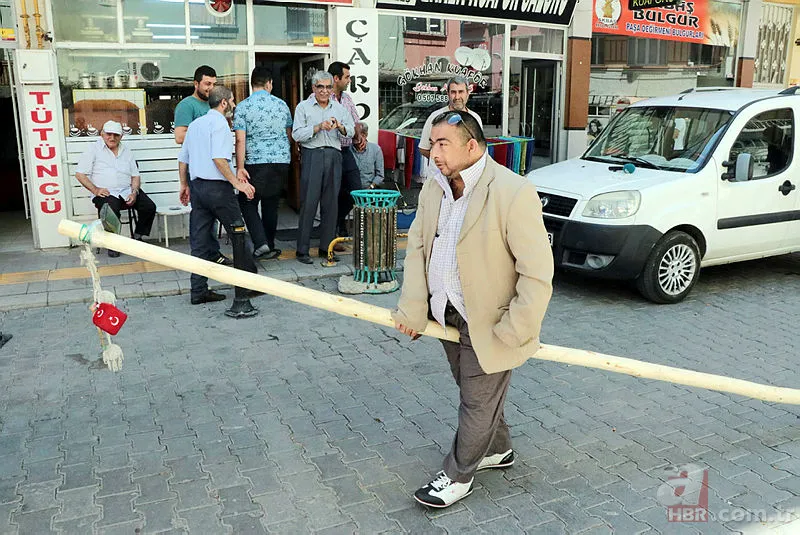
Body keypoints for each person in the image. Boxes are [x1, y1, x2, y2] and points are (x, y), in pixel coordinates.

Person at [392, 111, 553, 508]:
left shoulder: (512, 191)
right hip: (446, 314)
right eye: (431, 145)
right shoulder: (434, 189)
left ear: (471, 145)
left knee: (476, 402)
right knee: (471, 388)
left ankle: (458, 473)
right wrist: (414, 311)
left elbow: (536, 272)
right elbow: (416, 251)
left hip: (491, 322)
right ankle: (498, 449)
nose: (432, 153)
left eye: (442, 144)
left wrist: (516, 329)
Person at [178, 86, 259, 305]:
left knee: (200, 241)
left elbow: (183, 158)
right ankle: (246, 288)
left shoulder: (195, 125)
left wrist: (184, 185)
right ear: (223, 103)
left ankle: (198, 290)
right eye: (232, 101)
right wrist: (237, 184)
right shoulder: (221, 125)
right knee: (238, 235)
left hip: (197, 188)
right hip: (218, 190)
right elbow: (219, 159)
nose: (233, 106)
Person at [291, 71, 354, 265]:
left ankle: (326, 247)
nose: (324, 91)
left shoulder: (339, 108)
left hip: (334, 155)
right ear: (313, 88)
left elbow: (351, 130)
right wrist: (318, 127)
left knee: (331, 204)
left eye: (328, 87)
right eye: (320, 87)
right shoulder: (304, 107)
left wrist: (340, 127)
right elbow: (297, 135)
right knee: (309, 203)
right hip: (313, 155)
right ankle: (302, 250)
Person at [233, 67, 292, 261]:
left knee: (247, 202)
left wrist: (240, 167)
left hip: (256, 161)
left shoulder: (243, 107)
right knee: (271, 203)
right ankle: (270, 244)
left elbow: (240, 140)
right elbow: (289, 135)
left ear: (252, 84)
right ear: (268, 84)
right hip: (281, 160)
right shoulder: (282, 105)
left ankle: (261, 243)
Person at [75, 120, 157, 257]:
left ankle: (137, 236)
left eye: (116, 135)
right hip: (105, 192)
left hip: (126, 190)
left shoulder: (127, 151)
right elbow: (79, 174)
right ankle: (113, 244)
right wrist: (95, 190)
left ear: (121, 136)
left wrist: (134, 192)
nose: (112, 138)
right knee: (111, 208)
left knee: (149, 206)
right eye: (108, 134)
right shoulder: (93, 149)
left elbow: (135, 176)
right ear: (102, 134)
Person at [328, 61, 362, 246]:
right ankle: (333, 231)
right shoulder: (323, 98)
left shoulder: (347, 98)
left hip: (347, 150)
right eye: (347, 77)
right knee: (333, 191)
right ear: (336, 78)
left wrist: (359, 136)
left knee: (355, 189)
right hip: (331, 151)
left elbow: (355, 121)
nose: (349, 80)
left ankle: (340, 219)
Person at [418, 76, 483, 162]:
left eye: (461, 92)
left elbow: (479, 149)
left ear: (467, 93)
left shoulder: (475, 118)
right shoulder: (436, 117)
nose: (457, 97)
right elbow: (424, 148)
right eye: (453, 92)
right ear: (448, 94)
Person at [174, 65, 217, 145]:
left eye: (214, 84)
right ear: (196, 84)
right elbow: (180, 137)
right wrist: (211, 134)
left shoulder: (215, 103)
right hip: (197, 156)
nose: (211, 88)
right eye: (208, 84)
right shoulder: (186, 105)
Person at [351, 122, 384, 189]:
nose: (355, 141)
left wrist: (370, 187)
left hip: (369, 192)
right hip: (351, 192)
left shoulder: (376, 149)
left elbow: (380, 175)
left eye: (356, 137)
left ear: (365, 135)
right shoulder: (347, 151)